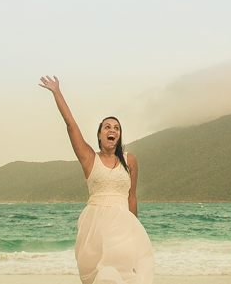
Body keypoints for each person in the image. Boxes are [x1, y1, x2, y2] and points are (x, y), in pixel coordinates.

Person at [39, 75, 154, 284]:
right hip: (95, 228)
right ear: (100, 135)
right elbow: (71, 125)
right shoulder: (90, 159)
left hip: (122, 228)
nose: (112, 130)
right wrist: (57, 92)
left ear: (119, 136)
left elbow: (132, 199)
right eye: (107, 127)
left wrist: (135, 235)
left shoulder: (130, 161)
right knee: (98, 277)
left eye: (116, 128)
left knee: (121, 275)